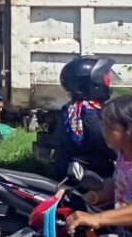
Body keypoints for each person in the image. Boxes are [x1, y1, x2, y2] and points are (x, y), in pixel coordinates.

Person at [66, 95, 132, 233]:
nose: (104, 132)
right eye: (104, 126)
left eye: (110, 128)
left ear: (129, 132)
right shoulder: (123, 155)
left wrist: (99, 218)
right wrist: (90, 198)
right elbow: (118, 185)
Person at [54, 57, 117, 180]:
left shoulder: (71, 109)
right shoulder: (91, 114)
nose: (108, 84)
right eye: (106, 79)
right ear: (94, 84)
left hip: (72, 172)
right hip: (93, 178)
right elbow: (109, 145)